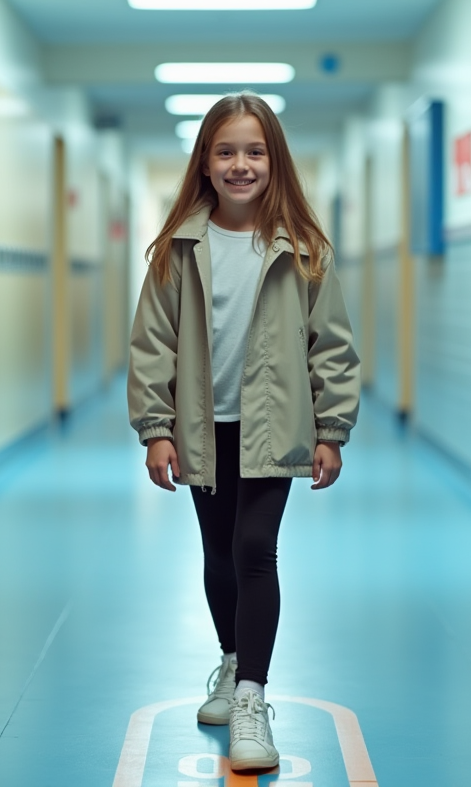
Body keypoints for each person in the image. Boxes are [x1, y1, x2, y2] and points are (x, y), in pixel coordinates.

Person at [127, 91, 361, 772]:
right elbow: (152, 345)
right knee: (218, 555)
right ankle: (231, 664)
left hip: (274, 428)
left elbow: (332, 346)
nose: (240, 164)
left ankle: (254, 698)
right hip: (203, 428)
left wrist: (332, 428)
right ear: (204, 162)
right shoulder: (176, 250)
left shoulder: (303, 250)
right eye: (225, 151)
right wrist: (155, 427)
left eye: (254, 151)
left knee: (255, 547)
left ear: (274, 161)